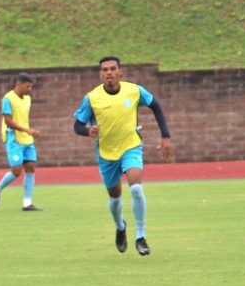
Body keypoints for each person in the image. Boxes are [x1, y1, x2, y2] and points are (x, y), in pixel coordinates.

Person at [72, 55, 173, 256]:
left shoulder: (134, 90)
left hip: (131, 147)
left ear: (120, 72)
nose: (109, 73)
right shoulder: (92, 98)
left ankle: (141, 237)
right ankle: (120, 227)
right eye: (105, 70)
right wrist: (87, 131)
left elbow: (156, 106)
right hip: (107, 154)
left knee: (136, 188)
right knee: (115, 197)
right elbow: (77, 125)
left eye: (112, 69)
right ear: (100, 74)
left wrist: (166, 137)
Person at [0, 72, 41, 211]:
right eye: (27, 86)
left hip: (27, 138)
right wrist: (27, 130)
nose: (29, 89)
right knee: (17, 171)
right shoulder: (8, 98)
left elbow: (23, 118)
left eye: (31, 86)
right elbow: (7, 121)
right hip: (13, 138)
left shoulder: (27, 99)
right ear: (18, 84)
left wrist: (28, 132)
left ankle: (27, 203)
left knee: (30, 167)